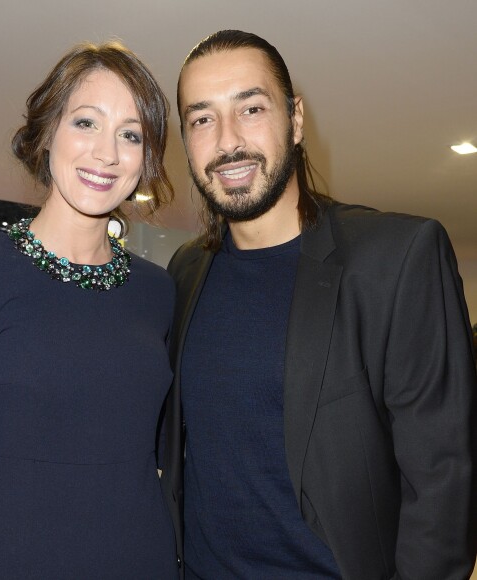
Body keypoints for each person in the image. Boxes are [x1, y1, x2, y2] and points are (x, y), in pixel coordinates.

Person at [161, 29, 477, 579]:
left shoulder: (397, 258)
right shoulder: (185, 273)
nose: (227, 140)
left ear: (296, 119)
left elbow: (443, 481)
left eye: (251, 108)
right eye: (202, 119)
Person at [0, 41, 179, 579]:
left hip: (145, 559)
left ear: (145, 158)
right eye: (86, 122)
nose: (107, 153)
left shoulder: (158, 291)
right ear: (46, 135)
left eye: (130, 134)